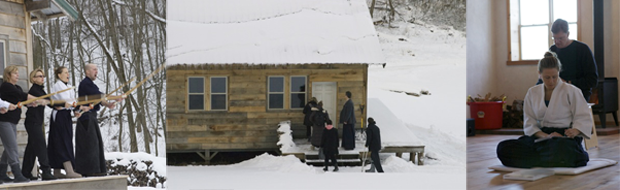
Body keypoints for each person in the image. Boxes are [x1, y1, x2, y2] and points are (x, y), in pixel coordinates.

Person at [497, 52, 591, 168]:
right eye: (547, 77)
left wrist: (575, 131)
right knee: (503, 147)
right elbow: (529, 122)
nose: (551, 81)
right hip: (541, 137)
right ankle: (551, 160)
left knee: (561, 147)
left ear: (559, 73)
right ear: (539, 74)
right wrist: (546, 136)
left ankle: (538, 159)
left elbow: (582, 116)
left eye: (554, 77)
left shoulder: (572, 91)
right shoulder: (532, 92)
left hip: (564, 138)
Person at [537, 19, 598, 101]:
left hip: (579, 95)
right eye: (554, 38)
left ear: (568, 34)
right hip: (556, 94)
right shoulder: (553, 50)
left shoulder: (582, 49)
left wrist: (567, 83)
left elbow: (592, 80)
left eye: (560, 38)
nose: (557, 41)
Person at [75, 63, 118, 176]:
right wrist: (112, 97)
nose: (96, 72)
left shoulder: (91, 85)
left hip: (92, 117)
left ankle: (97, 170)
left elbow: (99, 98)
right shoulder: (85, 84)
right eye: (94, 69)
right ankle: (89, 171)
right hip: (86, 118)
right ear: (87, 72)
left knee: (96, 143)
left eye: (97, 69)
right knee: (90, 144)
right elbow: (98, 96)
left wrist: (108, 104)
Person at [0, 66, 40, 183]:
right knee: (12, 147)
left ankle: (2, 174)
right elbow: (22, 95)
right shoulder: (6, 86)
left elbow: (21, 101)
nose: (17, 75)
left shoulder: (16, 87)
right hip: (4, 121)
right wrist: (36, 99)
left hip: (12, 121)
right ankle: (17, 174)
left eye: (18, 73)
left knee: (8, 148)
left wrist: (29, 104)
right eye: (15, 73)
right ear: (8, 75)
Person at [22, 69, 60, 181]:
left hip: (37, 122)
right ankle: (46, 171)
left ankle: (25, 172)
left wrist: (62, 104)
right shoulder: (34, 90)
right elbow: (47, 101)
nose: (42, 78)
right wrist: (56, 103)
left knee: (32, 147)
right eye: (39, 76)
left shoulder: (40, 90)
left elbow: (50, 102)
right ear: (33, 78)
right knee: (41, 145)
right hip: (32, 122)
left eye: (43, 76)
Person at [48, 66, 84, 178]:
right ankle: (68, 170)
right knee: (61, 141)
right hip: (59, 116)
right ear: (59, 75)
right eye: (65, 72)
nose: (68, 74)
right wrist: (73, 105)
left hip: (66, 115)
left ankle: (57, 170)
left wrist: (76, 110)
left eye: (68, 72)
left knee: (66, 139)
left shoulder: (69, 87)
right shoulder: (58, 85)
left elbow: (72, 102)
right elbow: (67, 102)